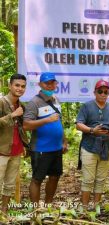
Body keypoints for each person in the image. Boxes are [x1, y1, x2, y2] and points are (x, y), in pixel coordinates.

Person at [23, 72, 68, 207]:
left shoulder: (55, 100)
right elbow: (26, 125)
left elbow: (58, 123)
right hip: (41, 149)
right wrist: (46, 120)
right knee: (37, 179)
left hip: (56, 148)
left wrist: (64, 141)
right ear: (40, 85)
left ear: (55, 84)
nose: (49, 86)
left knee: (55, 177)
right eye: (46, 83)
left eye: (52, 83)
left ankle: (48, 206)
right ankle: (36, 210)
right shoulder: (34, 103)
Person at [76, 80, 109, 209]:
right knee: (88, 179)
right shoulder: (87, 106)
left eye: (106, 92)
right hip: (89, 146)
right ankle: (84, 208)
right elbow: (79, 124)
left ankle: (96, 207)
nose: (103, 94)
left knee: (101, 179)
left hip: (107, 147)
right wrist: (91, 130)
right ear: (95, 92)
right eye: (100, 91)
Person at [0, 74, 28, 213]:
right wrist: (12, 115)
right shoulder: (2, 102)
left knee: (9, 184)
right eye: (17, 85)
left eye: (23, 86)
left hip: (16, 150)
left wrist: (25, 145)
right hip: (1, 150)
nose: (20, 88)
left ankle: (4, 211)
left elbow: (21, 128)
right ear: (10, 85)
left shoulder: (21, 105)